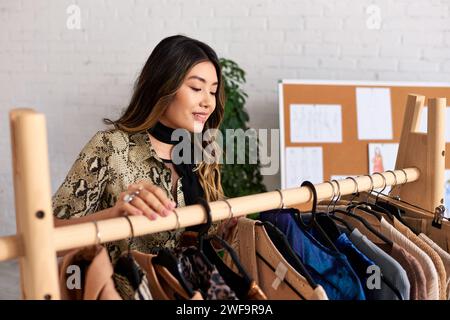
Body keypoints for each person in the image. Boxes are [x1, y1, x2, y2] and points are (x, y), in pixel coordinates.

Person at [52, 34, 234, 262]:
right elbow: (48, 238)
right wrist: (115, 215)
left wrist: (224, 233)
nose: (208, 102)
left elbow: (200, 242)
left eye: (213, 91)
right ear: (163, 86)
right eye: (197, 88)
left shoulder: (202, 154)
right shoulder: (110, 147)